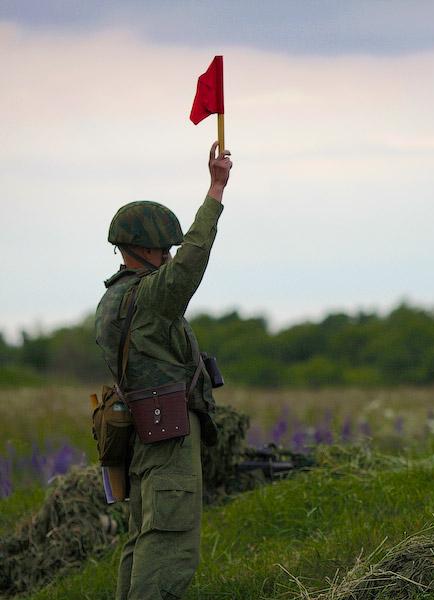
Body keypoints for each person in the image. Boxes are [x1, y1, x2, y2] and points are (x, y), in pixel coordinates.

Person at [95, 141, 233, 600]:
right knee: (169, 542)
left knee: (143, 536)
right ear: (147, 250)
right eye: (164, 249)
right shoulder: (151, 298)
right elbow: (194, 258)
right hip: (169, 434)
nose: (171, 256)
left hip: (144, 432)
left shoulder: (112, 299)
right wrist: (215, 191)